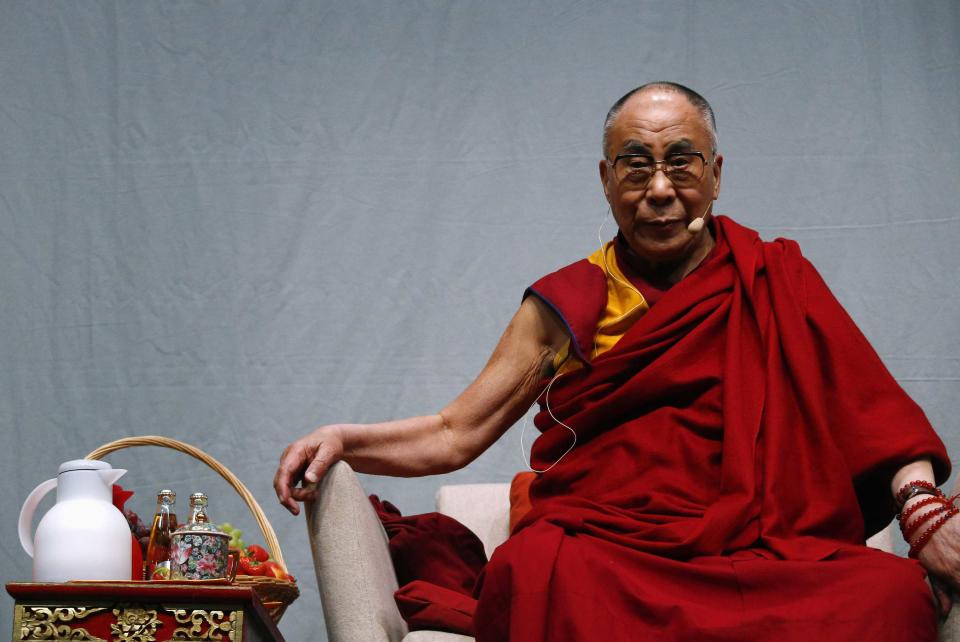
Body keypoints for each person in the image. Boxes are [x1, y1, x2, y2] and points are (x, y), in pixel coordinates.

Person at [275, 82, 960, 641]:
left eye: (681, 162)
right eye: (636, 166)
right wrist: (346, 439)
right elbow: (457, 431)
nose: (659, 189)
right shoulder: (570, 301)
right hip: (623, 553)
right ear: (607, 181)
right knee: (537, 566)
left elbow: (875, 413)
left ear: (715, 175)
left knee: (889, 593)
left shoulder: (773, 276)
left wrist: (922, 507)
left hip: (760, 550)